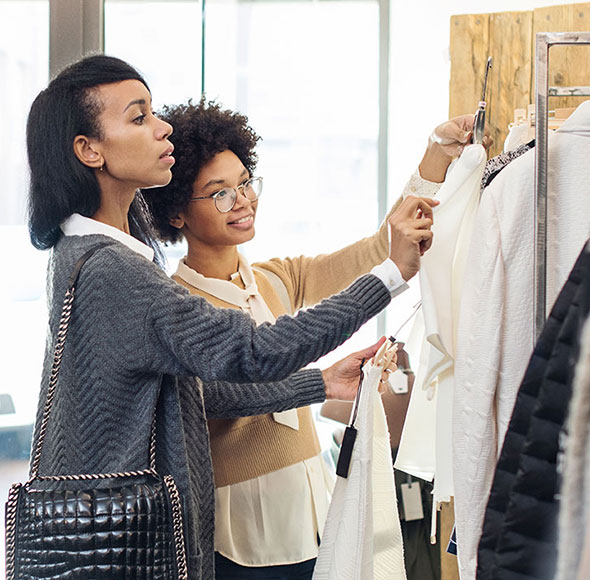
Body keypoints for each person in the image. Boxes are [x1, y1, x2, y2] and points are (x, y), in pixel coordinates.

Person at [25, 54, 437, 580]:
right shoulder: (114, 270)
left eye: (245, 183)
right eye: (138, 117)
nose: (161, 128)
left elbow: (199, 390)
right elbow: (253, 352)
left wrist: (318, 382)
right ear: (89, 150)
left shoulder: (85, 252)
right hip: (175, 533)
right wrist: (389, 277)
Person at [143, 100, 478, 580]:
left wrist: (435, 158)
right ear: (177, 213)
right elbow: (213, 398)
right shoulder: (177, 304)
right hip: (237, 532)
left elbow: (378, 250)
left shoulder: (274, 280)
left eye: (244, 183)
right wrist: (319, 382)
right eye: (219, 194)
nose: (242, 201)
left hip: (309, 511)